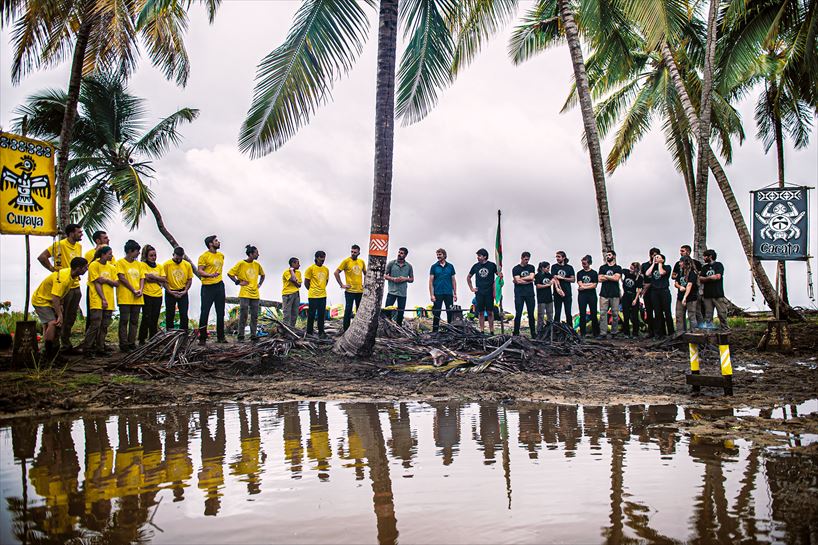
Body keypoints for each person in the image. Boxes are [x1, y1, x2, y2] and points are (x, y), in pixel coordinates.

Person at [37, 223, 83, 351]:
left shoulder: (79, 246)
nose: (81, 234)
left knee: (71, 317)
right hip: (62, 285)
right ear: (71, 233)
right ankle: (54, 346)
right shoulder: (59, 245)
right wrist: (53, 270)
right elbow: (42, 257)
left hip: (75, 284)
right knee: (59, 317)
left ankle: (66, 343)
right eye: (79, 232)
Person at [31, 257, 89, 359]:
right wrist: (60, 314)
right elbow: (55, 297)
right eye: (85, 268)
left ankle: (49, 351)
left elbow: (62, 293)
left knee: (47, 325)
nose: (86, 269)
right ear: (78, 268)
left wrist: (61, 305)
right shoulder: (64, 278)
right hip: (41, 300)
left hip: (49, 300)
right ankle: (49, 353)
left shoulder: (72, 276)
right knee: (53, 323)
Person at [81, 247, 118, 355]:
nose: (111, 256)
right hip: (97, 299)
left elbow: (116, 283)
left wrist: (106, 280)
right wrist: (103, 299)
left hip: (110, 300)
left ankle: (100, 348)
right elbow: (97, 282)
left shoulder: (111, 267)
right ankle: (87, 348)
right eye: (109, 254)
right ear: (102, 254)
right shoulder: (94, 265)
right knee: (95, 324)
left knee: (104, 325)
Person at [228, 245, 266, 341]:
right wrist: (238, 282)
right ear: (251, 254)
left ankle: (253, 335)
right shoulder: (241, 263)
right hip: (244, 293)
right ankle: (241, 336)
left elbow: (263, 275)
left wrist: (259, 284)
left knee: (254, 315)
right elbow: (230, 273)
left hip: (255, 293)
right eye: (256, 253)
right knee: (243, 315)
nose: (258, 254)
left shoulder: (257, 265)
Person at [116, 240, 145, 351]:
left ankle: (132, 342)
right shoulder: (120, 263)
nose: (138, 253)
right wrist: (133, 289)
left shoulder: (139, 264)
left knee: (134, 321)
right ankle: (123, 344)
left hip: (137, 297)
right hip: (125, 296)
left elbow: (142, 277)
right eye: (137, 251)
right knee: (124, 320)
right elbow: (122, 278)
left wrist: (140, 289)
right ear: (130, 251)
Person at [198, 235, 226, 345]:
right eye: (216, 241)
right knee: (205, 312)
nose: (218, 242)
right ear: (210, 244)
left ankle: (221, 337)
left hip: (219, 285)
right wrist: (210, 275)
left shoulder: (221, 255)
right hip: (207, 287)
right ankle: (202, 338)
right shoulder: (204, 256)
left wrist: (216, 276)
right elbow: (200, 271)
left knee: (220, 312)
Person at [83, 230, 112, 332]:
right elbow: (86, 267)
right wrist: (96, 255)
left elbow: (113, 267)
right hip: (93, 287)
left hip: (107, 287)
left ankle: (100, 340)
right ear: (98, 240)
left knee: (104, 317)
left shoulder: (109, 253)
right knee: (93, 315)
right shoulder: (89, 253)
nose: (108, 240)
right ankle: (89, 340)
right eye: (105, 238)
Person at [138, 245, 166, 344]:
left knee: (155, 317)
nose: (153, 257)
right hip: (147, 294)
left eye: (155, 255)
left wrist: (154, 277)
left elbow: (164, 279)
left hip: (158, 295)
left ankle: (153, 338)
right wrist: (157, 278)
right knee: (146, 317)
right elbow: (146, 277)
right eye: (151, 255)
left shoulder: (160, 266)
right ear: (146, 256)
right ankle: (142, 338)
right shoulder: (143, 265)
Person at [335, 244, 366, 331]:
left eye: (355, 252)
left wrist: (365, 284)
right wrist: (342, 285)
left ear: (359, 252)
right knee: (348, 310)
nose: (353, 253)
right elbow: (336, 272)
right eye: (352, 251)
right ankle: (346, 329)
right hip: (350, 291)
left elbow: (366, 273)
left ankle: (358, 329)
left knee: (360, 312)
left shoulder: (361, 262)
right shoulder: (346, 261)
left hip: (359, 291)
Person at [466, 249, 498, 334]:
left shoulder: (492, 265)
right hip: (479, 292)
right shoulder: (476, 266)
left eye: (479, 256)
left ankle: (492, 330)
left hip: (489, 292)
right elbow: (468, 277)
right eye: (477, 256)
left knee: (490, 312)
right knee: (480, 312)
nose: (478, 257)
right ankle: (482, 330)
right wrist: (472, 288)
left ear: (485, 256)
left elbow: (499, 276)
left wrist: (496, 290)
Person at [163, 247, 194, 330]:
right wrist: (169, 291)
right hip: (170, 291)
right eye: (177, 258)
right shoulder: (166, 265)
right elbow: (163, 280)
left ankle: (183, 333)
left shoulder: (187, 265)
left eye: (180, 258)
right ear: (173, 255)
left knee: (184, 314)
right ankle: (170, 333)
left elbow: (189, 279)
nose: (178, 260)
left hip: (182, 291)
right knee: (170, 314)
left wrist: (185, 291)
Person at [672, 245, 703, 324]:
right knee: (679, 314)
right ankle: (681, 333)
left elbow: (699, 276)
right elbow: (673, 276)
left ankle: (699, 330)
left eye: (682, 251)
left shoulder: (696, 263)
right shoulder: (678, 265)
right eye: (680, 251)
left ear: (688, 252)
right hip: (681, 292)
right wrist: (680, 280)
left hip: (694, 292)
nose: (680, 253)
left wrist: (692, 277)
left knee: (695, 313)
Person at [645, 253, 673, 337]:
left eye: (658, 257)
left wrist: (660, 263)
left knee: (667, 312)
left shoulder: (667, 267)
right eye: (655, 257)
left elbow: (661, 273)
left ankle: (671, 332)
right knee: (657, 312)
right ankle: (660, 333)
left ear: (663, 259)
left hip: (664, 291)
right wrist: (653, 263)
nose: (655, 258)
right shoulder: (653, 267)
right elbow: (647, 273)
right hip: (655, 291)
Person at [384, 247, 414, 326]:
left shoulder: (409, 266)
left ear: (405, 255)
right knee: (387, 311)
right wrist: (393, 279)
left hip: (402, 293)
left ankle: (398, 330)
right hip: (391, 292)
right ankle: (386, 328)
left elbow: (412, 279)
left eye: (401, 253)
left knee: (400, 313)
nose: (399, 254)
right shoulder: (391, 263)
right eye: (399, 252)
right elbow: (384, 275)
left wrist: (405, 279)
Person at [429, 249, 457, 332]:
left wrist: (455, 293)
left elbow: (453, 280)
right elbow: (431, 281)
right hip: (438, 292)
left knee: (450, 312)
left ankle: (450, 330)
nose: (438, 256)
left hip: (448, 292)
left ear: (444, 255)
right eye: (437, 254)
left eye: (440, 254)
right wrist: (431, 295)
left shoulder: (450, 266)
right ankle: (435, 331)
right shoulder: (434, 267)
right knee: (437, 312)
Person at [699, 249, 728, 328]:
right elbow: (700, 279)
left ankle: (725, 329)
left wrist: (706, 278)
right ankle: (709, 332)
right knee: (708, 316)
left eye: (705, 256)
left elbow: (717, 277)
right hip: (707, 295)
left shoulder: (718, 265)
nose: (704, 258)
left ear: (710, 256)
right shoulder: (704, 267)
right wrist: (710, 278)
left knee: (722, 314)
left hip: (718, 294)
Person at [598, 250, 622, 338]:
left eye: (609, 255)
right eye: (606, 255)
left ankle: (614, 332)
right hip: (604, 294)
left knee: (615, 314)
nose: (607, 256)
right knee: (603, 313)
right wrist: (611, 277)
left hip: (615, 294)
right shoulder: (602, 268)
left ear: (614, 256)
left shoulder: (618, 268)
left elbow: (616, 278)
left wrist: (606, 276)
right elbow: (599, 279)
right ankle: (603, 333)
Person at [304, 251, 329, 337]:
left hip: (323, 295)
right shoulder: (310, 269)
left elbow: (326, 281)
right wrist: (312, 289)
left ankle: (321, 332)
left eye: (324, 258)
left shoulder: (326, 269)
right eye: (321, 258)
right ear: (316, 258)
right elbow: (306, 282)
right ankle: (309, 332)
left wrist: (321, 288)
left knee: (322, 315)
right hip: (313, 296)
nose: (323, 260)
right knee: (311, 314)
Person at [512, 252, 536, 337]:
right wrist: (527, 281)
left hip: (530, 294)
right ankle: (516, 332)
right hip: (519, 294)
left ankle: (533, 333)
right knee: (518, 313)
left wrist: (520, 279)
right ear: (521, 258)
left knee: (531, 314)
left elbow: (531, 277)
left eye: (528, 259)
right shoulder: (516, 268)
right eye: (525, 259)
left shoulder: (531, 267)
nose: (527, 261)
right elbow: (518, 281)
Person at [576, 255, 600, 338]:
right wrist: (587, 285)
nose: (583, 265)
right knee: (582, 314)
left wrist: (584, 286)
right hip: (582, 296)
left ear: (589, 263)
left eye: (585, 264)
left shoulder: (593, 273)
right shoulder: (579, 273)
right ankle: (583, 333)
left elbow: (594, 285)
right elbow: (579, 283)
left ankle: (596, 333)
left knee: (593, 313)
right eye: (582, 264)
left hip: (592, 295)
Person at [535, 261, 561, 332]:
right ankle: (539, 331)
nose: (548, 269)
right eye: (547, 268)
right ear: (542, 268)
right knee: (541, 316)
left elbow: (553, 278)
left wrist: (553, 281)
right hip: (541, 299)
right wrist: (547, 285)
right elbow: (538, 286)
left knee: (550, 315)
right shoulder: (538, 275)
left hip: (549, 298)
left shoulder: (548, 275)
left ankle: (550, 331)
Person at [674, 256, 699, 332]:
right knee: (679, 315)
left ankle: (694, 333)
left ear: (686, 262)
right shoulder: (680, 272)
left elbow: (689, 285)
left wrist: (685, 297)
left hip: (691, 297)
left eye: (681, 262)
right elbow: (676, 283)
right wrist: (680, 286)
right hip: (680, 297)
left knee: (691, 315)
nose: (679, 263)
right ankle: (680, 333)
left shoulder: (692, 272)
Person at [640, 247, 661, 338]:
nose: (654, 257)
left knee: (657, 311)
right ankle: (650, 331)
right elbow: (642, 277)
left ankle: (658, 332)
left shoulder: (660, 266)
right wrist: (642, 289)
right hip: (647, 291)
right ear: (650, 255)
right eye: (653, 255)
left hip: (656, 290)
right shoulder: (644, 265)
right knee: (648, 311)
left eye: (656, 255)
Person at [621, 262, 643, 339]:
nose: (630, 270)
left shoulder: (639, 278)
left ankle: (635, 333)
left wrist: (635, 299)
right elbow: (619, 271)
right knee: (626, 315)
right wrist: (621, 280)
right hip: (626, 295)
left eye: (632, 269)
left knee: (634, 316)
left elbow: (639, 289)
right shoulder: (627, 272)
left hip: (633, 296)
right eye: (630, 268)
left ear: (636, 269)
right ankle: (626, 333)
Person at [552, 251, 575, 325]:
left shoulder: (569, 267)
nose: (557, 258)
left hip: (567, 293)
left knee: (568, 312)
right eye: (556, 257)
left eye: (559, 257)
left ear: (563, 257)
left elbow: (573, 279)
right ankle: (556, 331)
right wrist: (559, 290)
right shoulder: (554, 267)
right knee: (557, 312)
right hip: (557, 293)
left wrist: (563, 278)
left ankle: (570, 331)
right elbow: (555, 278)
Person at [281, 257, 302, 328]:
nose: (299, 265)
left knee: (295, 313)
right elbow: (293, 279)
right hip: (287, 295)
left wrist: (295, 282)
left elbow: (299, 285)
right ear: (292, 264)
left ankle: (292, 329)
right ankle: (286, 330)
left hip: (296, 294)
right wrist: (292, 271)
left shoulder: (299, 273)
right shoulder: (286, 272)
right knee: (287, 314)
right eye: (297, 263)